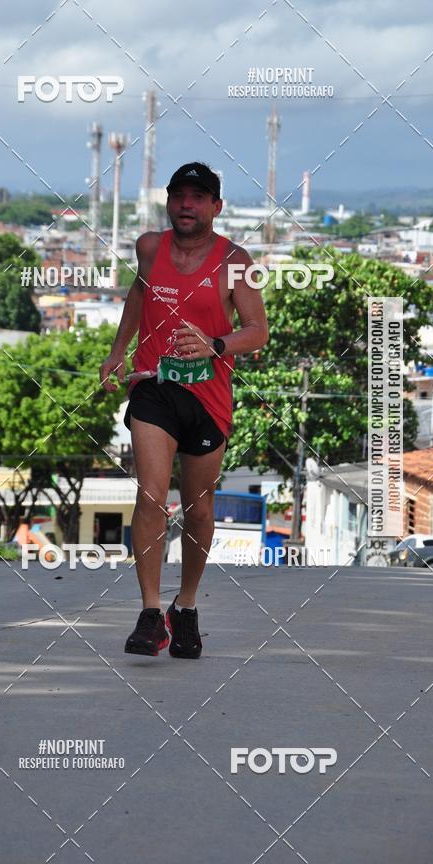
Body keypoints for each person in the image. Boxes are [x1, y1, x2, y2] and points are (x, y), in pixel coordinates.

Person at [100, 161, 268, 658]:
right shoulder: (150, 248)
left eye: (198, 197)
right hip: (153, 386)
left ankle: (186, 607)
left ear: (216, 206)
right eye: (179, 196)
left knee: (199, 511)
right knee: (151, 497)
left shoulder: (236, 260)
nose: (187, 205)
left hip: (208, 398)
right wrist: (118, 350)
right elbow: (138, 291)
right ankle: (151, 613)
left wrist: (215, 344)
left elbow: (258, 331)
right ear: (169, 202)